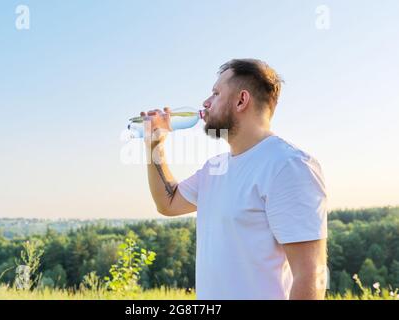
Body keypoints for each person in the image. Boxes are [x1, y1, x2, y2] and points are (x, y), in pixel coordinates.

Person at [140, 59, 328, 300]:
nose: (205, 103)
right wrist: (155, 144)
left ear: (241, 100)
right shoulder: (214, 168)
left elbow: (311, 275)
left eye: (216, 93)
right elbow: (168, 202)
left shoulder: (289, 166)